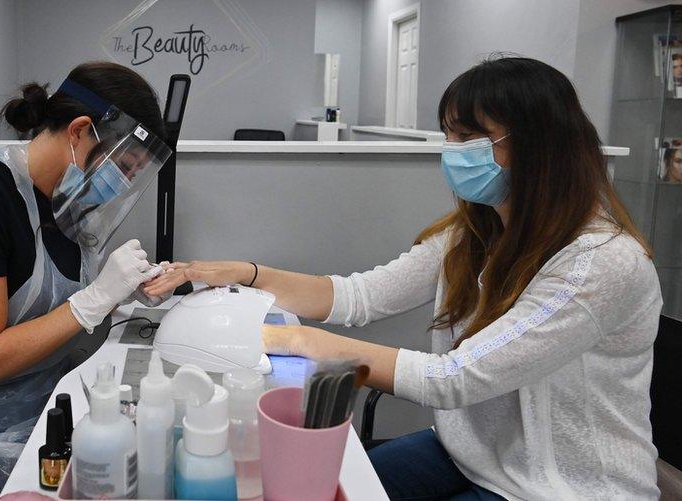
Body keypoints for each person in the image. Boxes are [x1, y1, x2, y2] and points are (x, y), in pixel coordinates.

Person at [145, 57, 661, 499]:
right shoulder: (474, 234)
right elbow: (358, 296)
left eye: (469, 137)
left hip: (562, 487)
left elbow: (454, 378)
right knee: (325, 487)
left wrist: (293, 339)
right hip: (471, 453)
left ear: (538, 147)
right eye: (449, 136)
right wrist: (248, 274)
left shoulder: (600, 263)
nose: (452, 151)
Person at [0, 62, 171, 500]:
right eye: (124, 167)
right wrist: (91, 302)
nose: (123, 184)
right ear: (79, 131)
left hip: (44, 399)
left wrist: (118, 291)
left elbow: (51, 309)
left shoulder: (66, 202)